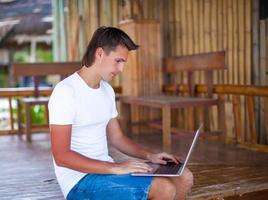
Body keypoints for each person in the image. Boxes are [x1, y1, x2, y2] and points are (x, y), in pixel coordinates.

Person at [48, 26, 193, 200]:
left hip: (106, 170)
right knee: (163, 189)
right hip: (79, 181)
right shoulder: (66, 91)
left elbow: (117, 138)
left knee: (184, 177)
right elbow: (61, 156)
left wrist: (150, 156)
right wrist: (115, 168)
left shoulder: (106, 90)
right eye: (118, 61)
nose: (121, 69)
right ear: (99, 53)